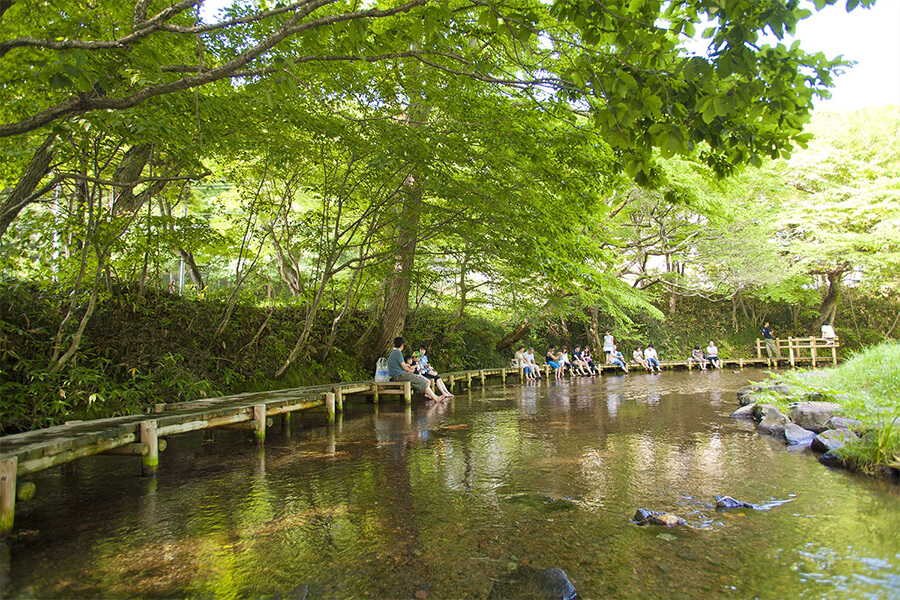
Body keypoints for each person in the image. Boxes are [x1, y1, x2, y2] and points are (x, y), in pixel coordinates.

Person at [388, 337, 446, 401]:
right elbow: (404, 366)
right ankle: (436, 398)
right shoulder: (398, 353)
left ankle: (433, 396)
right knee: (421, 382)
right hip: (399, 376)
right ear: (402, 345)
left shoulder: (393, 352)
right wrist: (411, 371)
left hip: (397, 375)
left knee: (416, 378)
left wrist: (411, 373)